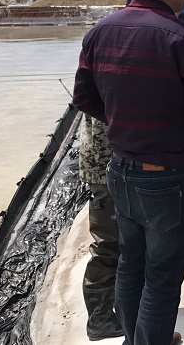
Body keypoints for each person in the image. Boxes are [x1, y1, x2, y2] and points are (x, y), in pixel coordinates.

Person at [73, 0, 184, 345]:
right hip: (167, 176)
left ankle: (136, 339)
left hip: (121, 169)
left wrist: (125, 119)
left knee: (131, 265)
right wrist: (170, 124)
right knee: (161, 278)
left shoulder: (100, 31)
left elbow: (84, 98)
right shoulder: (182, 36)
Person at [78, 115, 123, 340]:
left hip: (109, 161)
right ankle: (100, 320)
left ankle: (118, 309)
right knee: (108, 245)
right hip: (105, 164)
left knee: (116, 242)